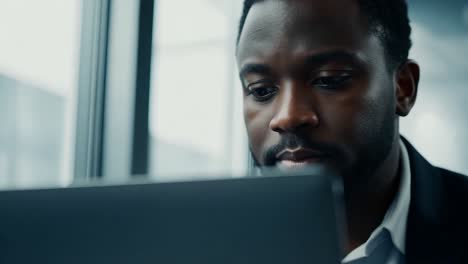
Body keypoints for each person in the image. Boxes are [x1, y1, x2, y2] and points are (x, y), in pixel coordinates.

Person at [235, 0, 468, 262]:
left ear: (403, 88)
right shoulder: (210, 241)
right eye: (261, 90)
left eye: (328, 80)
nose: (287, 117)